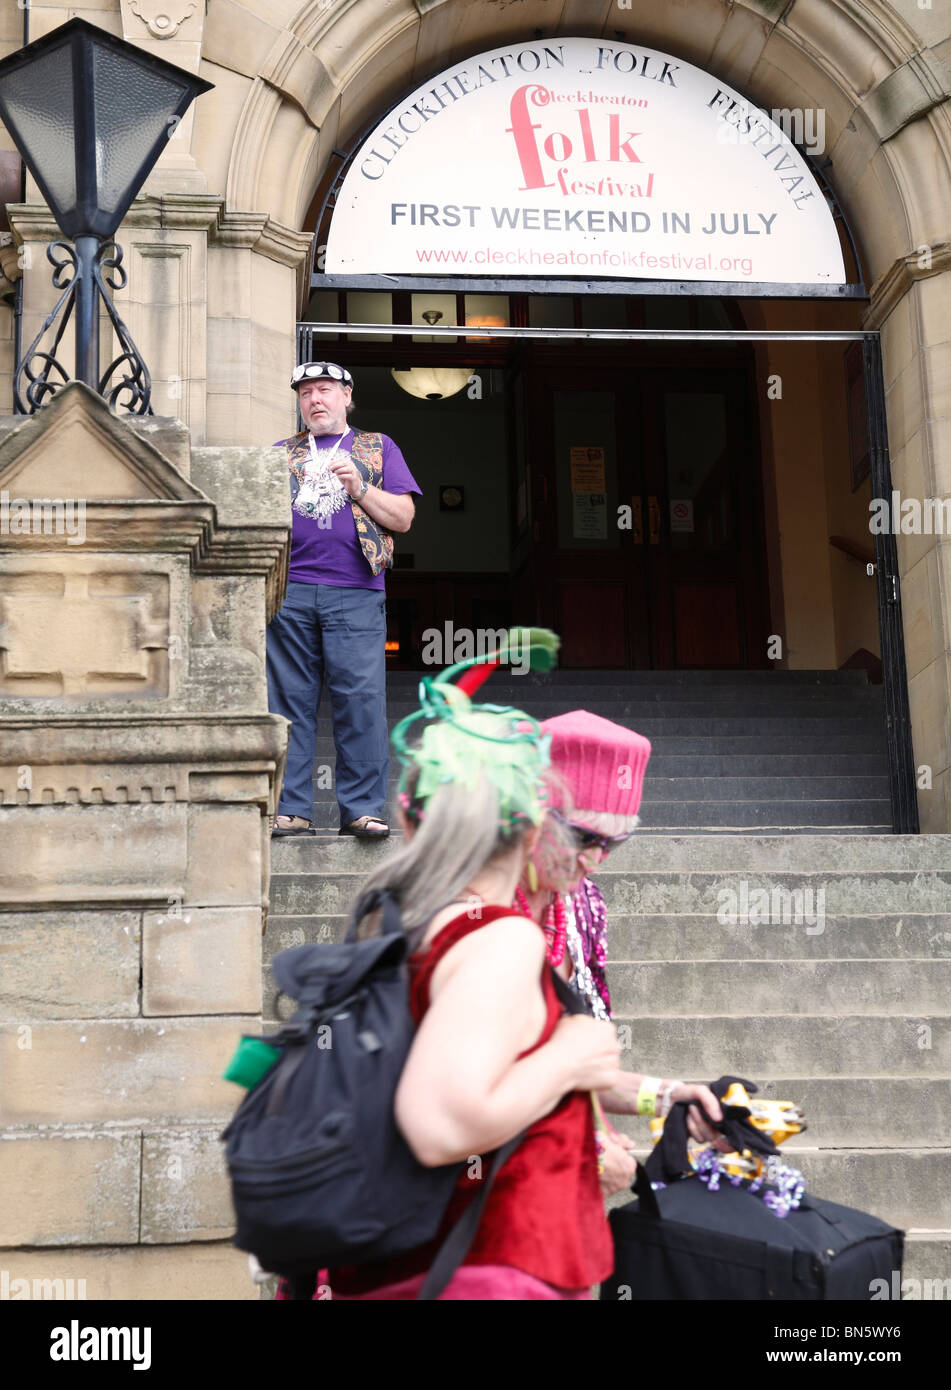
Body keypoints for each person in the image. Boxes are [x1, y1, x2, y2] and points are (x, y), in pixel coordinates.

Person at [314, 641, 623, 1299]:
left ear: (405, 815)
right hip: (488, 1275)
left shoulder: (410, 927)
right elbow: (440, 1126)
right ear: (538, 822)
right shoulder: (497, 939)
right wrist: (568, 1059)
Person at [514, 709, 728, 1196]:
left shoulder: (581, 902)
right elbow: (455, 1101)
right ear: (526, 816)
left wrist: (671, 1096)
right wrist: (581, 1150)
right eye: (579, 836)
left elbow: (581, 1074)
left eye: (612, 843)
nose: (593, 859)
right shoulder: (477, 915)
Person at [266, 361, 421, 839]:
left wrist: (360, 487)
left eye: (326, 390)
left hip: (356, 591)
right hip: (289, 593)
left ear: (347, 397)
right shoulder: (278, 453)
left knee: (361, 702)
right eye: (307, 392)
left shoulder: (378, 447)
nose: (315, 399)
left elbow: (403, 518)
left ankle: (362, 809)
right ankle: (292, 810)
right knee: (288, 703)